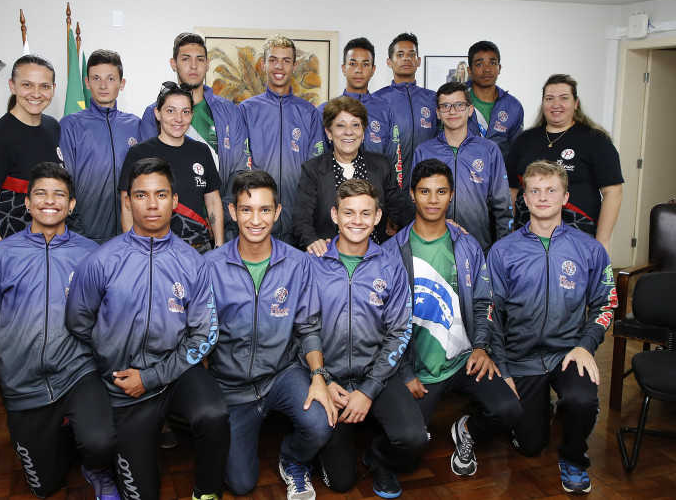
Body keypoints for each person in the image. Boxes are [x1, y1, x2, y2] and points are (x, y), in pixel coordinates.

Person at [66, 157, 230, 500]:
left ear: (174, 199)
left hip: (175, 372)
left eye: (160, 194)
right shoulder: (100, 262)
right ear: (127, 201)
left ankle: (207, 492)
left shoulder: (193, 263)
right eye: (141, 195)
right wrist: (114, 361)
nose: (152, 204)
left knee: (214, 414)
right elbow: (79, 323)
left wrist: (153, 376)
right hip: (124, 383)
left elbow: (205, 335)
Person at [0, 162, 119, 500]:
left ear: (71, 205)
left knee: (102, 443)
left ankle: (95, 466)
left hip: (77, 372)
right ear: (27, 203)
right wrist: (18, 350)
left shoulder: (90, 253)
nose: (49, 200)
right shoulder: (0, 255)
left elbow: (103, 315)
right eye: (40, 193)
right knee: (44, 486)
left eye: (59, 194)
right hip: (23, 380)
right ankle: (61, 432)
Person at [382, 159, 521, 479]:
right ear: (412, 196)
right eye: (425, 192)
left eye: (441, 191)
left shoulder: (467, 245)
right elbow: (383, 324)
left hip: (463, 361)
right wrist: (403, 372)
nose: (433, 199)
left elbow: (485, 301)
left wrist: (482, 346)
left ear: (451, 195)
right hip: (418, 371)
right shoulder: (391, 252)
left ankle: (467, 430)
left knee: (510, 409)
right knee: (408, 450)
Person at [205, 170, 336, 499]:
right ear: (233, 212)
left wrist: (318, 375)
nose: (255, 220)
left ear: (278, 213)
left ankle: (292, 458)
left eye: (265, 210)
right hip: (231, 388)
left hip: (282, 374)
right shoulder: (209, 266)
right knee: (240, 484)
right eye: (246, 210)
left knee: (320, 424)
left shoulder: (297, 263)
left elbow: (308, 325)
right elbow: (198, 335)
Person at [488, 160, 616, 494]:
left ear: (565, 197)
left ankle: (574, 456)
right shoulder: (503, 251)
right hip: (521, 357)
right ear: (525, 199)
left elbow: (607, 303)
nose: (543, 198)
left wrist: (585, 345)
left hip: (567, 352)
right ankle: (540, 410)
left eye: (551, 190)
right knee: (530, 446)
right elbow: (490, 313)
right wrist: (503, 369)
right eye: (535, 191)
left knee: (582, 399)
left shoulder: (589, 249)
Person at [313, 179, 428, 499]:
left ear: (378, 217)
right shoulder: (312, 263)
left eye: (366, 213)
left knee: (414, 440)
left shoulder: (391, 265)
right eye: (349, 212)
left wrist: (369, 390)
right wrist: (321, 377)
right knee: (340, 481)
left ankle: (377, 456)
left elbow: (399, 331)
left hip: (376, 373)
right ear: (335, 214)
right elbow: (300, 330)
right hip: (331, 377)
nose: (357, 220)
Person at [139, 32, 251, 239]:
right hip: (165, 228)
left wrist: (219, 214)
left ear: (207, 64)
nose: (193, 66)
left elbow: (240, 171)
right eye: (185, 59)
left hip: (221, 227)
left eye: (199, 59)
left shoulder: (229, 111)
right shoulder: (152, 113)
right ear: (173, 64)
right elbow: (145, 175)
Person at [506, 74, 624, 253]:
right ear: (543, 102)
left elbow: (613, 192)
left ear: (576, 103)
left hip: (579, 235)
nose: (556, 105)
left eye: (564, 98)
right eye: (549, 98)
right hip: (528, 235)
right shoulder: (525, 140)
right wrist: (513, 231)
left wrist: (602, 241)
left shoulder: (595, 139)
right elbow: (512, 190)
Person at [238, 34, 326, 246]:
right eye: (273, 60)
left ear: (294, 66)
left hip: (297, 221)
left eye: (286, 61)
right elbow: (240, 165)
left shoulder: (309, 113)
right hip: (256, 220)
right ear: (263, 64)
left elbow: (316, 169)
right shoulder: (246, 110)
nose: (279, 66)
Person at [294, 96, 412, 254]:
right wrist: (313, 241)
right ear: (329, 132)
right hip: (329, 256)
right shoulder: (313, 169)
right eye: (340, 125)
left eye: (355, 125)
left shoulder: (381, 165)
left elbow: (401, 211)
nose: (348, 132)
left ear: (363, 132)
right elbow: (301, 218)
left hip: (375, 255)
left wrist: (435, 225)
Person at [119, 82, 224, 252]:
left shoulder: (201, 151)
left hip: (198, 249)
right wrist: (133, 251)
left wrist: (219, 246)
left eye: (185, 112)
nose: (178, 118)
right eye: (170, 111)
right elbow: (127, 206)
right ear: (157, 113)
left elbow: (212, 201)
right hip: (152, 250)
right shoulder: (139, 153)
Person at [0, 55, 62, 252]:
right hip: (15, 243)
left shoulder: (52, 126)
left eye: (45, 86)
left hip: (53, 240)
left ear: (53, 89)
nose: (36, 93)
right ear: (12, 86)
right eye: (27, 85)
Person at [413, 82, 511, 252]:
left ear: (470, 109)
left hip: (478, 245)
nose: (452, 111)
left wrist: (504, 249)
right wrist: (440, 222)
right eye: (445, 106)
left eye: (459, 105)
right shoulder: (424, 150)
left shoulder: (489, 150)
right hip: (432, 246)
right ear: (438, 113)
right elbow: (414, 201)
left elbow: (503, 205)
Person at [59, 49, 141, 244]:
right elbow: (63, 181)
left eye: (111, 79)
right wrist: (76, 228)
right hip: (84, 234)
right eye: (96, 78)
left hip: (130, 234)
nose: (103, 85)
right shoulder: (71, 124)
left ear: (122, 84)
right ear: (87, 83)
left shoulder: (135, 124)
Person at [373, 32, 438, 190]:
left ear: (419, 61)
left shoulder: (434, 99)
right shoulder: (377, 100)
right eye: (400, 54)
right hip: (390, 186)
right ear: (389, 61)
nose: (406, 58)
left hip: (428, 185)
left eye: (412, 54)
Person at [318, 37, 397, 158]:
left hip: (376, 177)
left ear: (373, 70)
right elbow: (317, 159)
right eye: (352, 64)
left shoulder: (385, 110)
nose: (359, 70)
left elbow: (393, 158)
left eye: (365, 64)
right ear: (344, 68)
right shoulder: (324, 110)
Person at [465, 40, 524, 161]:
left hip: (500, 176)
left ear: (499, 68)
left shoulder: (513, 106)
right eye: (479, 64)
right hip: (461, 175)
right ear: (469, 70)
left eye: (492, 63)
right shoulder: (456, 99)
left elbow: (517, 150)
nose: (487, 69)